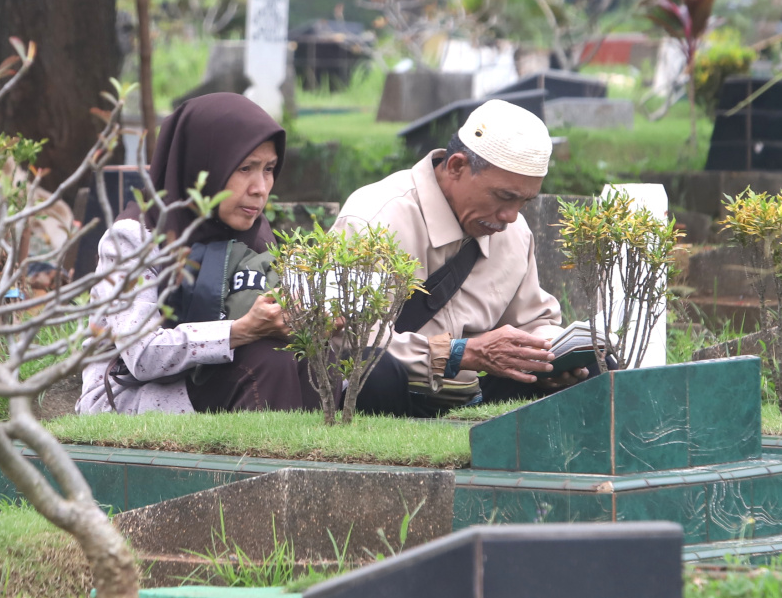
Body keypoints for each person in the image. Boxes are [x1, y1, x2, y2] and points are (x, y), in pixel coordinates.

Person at [77, 92, 404, 415]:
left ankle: (320, 463)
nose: (260, 187)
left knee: (368, 370)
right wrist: (242, 330)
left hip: (223, 375)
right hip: (130, 395)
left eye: (269, 169)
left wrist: (313, 325)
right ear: (201, 166)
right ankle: (263, 467)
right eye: (245, 168)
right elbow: (143, 356)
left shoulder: (257, 234)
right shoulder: (132, 239)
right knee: (269, 363)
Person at [333, 99, 608, 416]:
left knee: (596, 369)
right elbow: (354, 344)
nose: (509, 216)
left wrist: (555, 356)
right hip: (397, 392)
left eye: (524, 201)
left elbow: (533, 321)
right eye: (504, 196)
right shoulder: (374, 219)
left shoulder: (514, 231)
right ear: (456, 167)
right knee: (375, 373)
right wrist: (459, 354)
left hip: (474, 395)